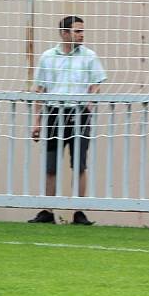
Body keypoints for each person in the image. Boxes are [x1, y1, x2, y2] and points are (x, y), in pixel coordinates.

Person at [29, 15, 106, 225]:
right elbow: (40, 90)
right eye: (77, 31)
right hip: (55, 112)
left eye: (82, 31)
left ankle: (79, 212)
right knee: (51, 164)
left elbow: (96, 83)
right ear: (64, 33)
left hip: (79, 113)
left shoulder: (89, 56)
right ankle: (47, 210)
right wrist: (36, 122)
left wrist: (88, 105)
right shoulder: (48, 57)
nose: (81, 35)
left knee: (79, 164)